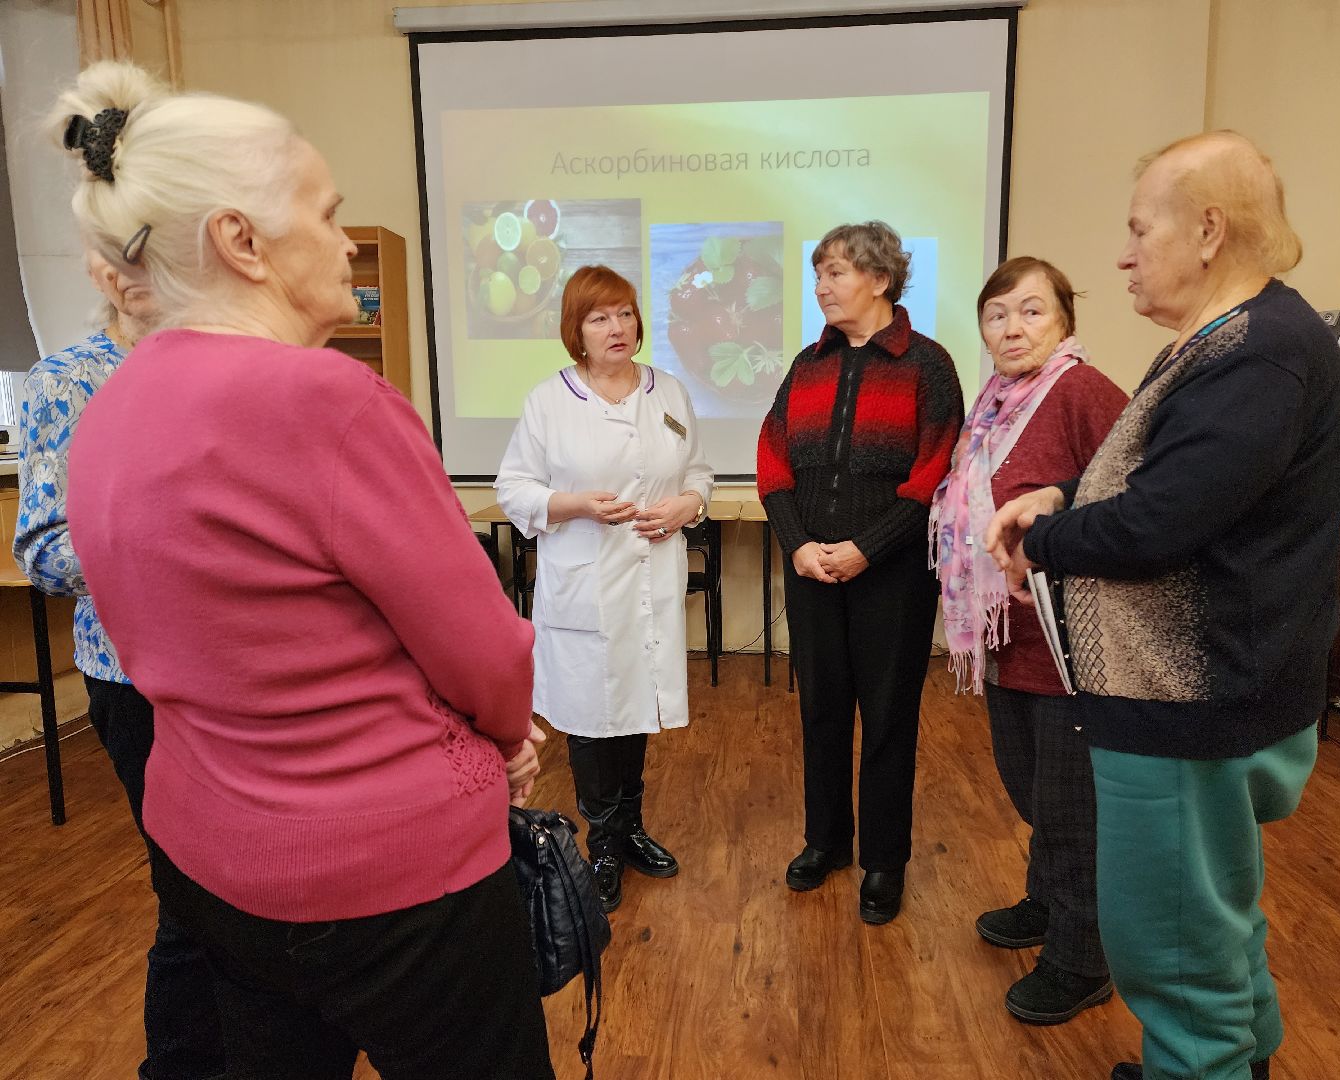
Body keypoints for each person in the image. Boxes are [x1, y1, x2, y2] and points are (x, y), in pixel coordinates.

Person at [55, 61, 554, 1079]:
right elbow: (486, 652)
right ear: (240, 240)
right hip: (398, 886)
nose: (345, 240)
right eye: (326, 214)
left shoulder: (108, 414)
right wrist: (507, 741)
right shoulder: (330, 401)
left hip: (213, 864)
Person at [986, 132, 1340, 1080]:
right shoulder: (1232, 342)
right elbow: (1163, 482)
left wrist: (1041, 541)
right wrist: (1063, 495)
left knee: (1173, 948)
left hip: (1188, 703)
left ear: (1208, 231)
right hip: (1198, 698)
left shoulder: (1257, 355)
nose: (1123, 256)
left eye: (1139, 230)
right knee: (1212, 924)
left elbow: (1157, 524)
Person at [13, 251, 226, 1080]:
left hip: (242, 677)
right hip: (142, 683)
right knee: (192, 897)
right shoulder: (67, 381)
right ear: (114, 277)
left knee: (254, 892)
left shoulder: (224, 371)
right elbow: (44, 549)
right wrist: (182, 540)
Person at [930, 256, 1128, 1024]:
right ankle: (1048, 902)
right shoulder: (992, 404)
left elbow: (1129, 498)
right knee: (1031, 787)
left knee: (1072, 806)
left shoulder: (1082, 391)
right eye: (997, 314)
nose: (1013, 328)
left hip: (1069, 643)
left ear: (1065, 320)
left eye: (1032, 311)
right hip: (1007, 636)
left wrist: (1052, 534)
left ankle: (1083, 959)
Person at [757, 221, 962, 925]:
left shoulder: (927, 365)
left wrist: (866, 548)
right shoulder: (806, 365)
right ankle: (826, 842)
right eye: (818, 274)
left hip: (893, 574)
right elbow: (772, 459)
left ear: (879, 279)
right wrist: (797, 545)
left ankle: (883, 860)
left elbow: (934, 473)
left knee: (887, 717)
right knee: (820, 708)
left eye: (836, 272)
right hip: (810, 567)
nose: (821, 286)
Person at [496, 265, 713, 914]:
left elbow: (699, 472)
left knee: (637, 708)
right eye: (599, 318)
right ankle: (604, 846)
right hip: (584, 585)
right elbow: (513, 489)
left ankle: (631, 828)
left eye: (624, 313)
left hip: (650, 578)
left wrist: (689, 505)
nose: (616, 327)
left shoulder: (669, 391)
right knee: (593, 718)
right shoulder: (549, 400)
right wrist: (574, 504)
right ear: (577, 331)